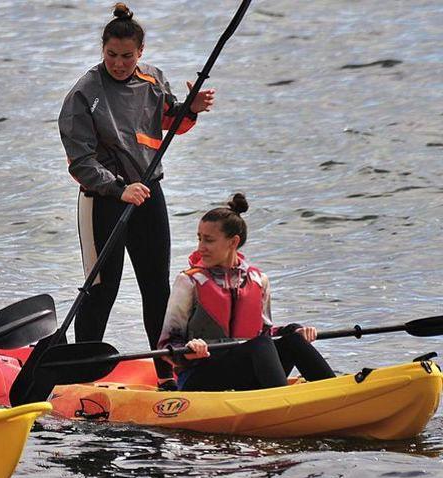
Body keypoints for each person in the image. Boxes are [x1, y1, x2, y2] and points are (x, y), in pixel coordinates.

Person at [58, 3, 215, 390]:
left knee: (156, 287)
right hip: (103, 199)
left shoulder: (152, 79)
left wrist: (190, 109)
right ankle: (84, 377)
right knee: (102, 290)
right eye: (111, 55)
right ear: (102, 50)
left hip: (147, 193)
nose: (119, 63)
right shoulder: (84, 93)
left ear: (140, 52)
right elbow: (80, 162)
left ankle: (165, 373)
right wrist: (117, 187)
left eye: (127, 56)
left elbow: (169, 121)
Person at [158, 194, 336, 391]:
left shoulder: (259, 280)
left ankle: (334, 391)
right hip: (200, 376)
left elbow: (266, 333)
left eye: (208, 240)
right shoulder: (189, 281)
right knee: (260, 344)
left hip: (246, 370)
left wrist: (293, 330)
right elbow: (166, 344)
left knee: (293, 339)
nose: (200, 248)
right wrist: (189, 350)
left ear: (233, 242)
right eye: (199, 239)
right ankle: (282, 402)